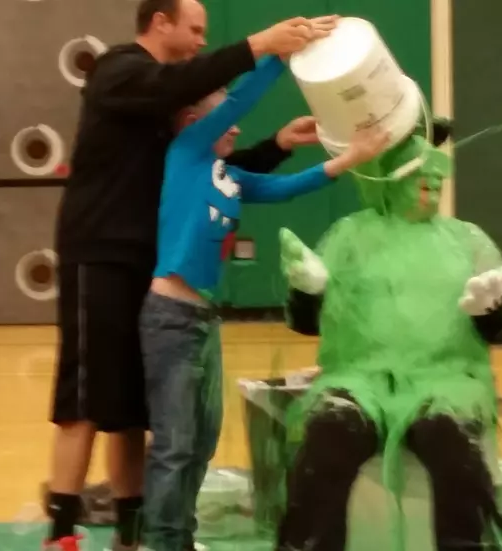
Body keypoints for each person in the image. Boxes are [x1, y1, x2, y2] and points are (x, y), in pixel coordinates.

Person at [45, 0, 340, 549]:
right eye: (195, 30)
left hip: (146, 260)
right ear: (160, 23)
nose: (203, 42)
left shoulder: (165, 104)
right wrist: (259, 47)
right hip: (99, 255)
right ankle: (62, 530)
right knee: (84, 396)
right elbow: (175, 88)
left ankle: (134, 530)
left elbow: (221, 172)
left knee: (135, 403)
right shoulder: (120, 71)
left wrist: (277, 145)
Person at [138, 51, 389, 551]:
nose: (235, 130)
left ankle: (180, 536)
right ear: (195, 122)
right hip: (169, 317)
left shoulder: (228, 175)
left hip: (203, 320)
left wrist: (350, 158)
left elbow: (285, 187)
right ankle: (161, 542)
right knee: (175, 444)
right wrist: (280, 57)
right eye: (224, 121)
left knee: (203, 441)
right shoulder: (185, 154)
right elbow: (238, 103)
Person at [273, 128, 502, 551]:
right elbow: (309, 324)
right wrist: (308, 293)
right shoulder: (349, 236)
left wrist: (496, 310)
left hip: (447, 381)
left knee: (451, 444)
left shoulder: (466, 240)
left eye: (438, 176)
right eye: (418, 176)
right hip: (358, 379)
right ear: (390, 179)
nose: (433, 184)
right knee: (329, 438)